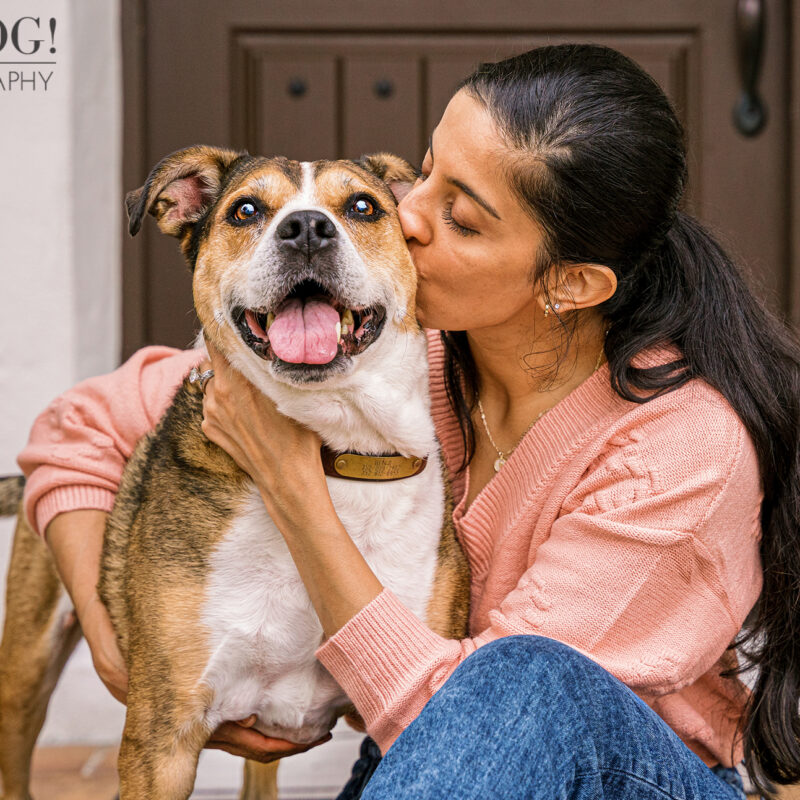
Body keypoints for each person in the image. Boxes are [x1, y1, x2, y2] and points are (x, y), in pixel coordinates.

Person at [17, 44, 800, 799]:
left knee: (527, 675)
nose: (405, 213)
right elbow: (80, 426)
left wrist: (296, 488)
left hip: (617, 780)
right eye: (425, 172)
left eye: (459, 216)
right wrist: (122, 649)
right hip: (423, 769)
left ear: (567, 284)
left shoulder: (680, 452)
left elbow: (479, 732)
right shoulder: (391, 354)